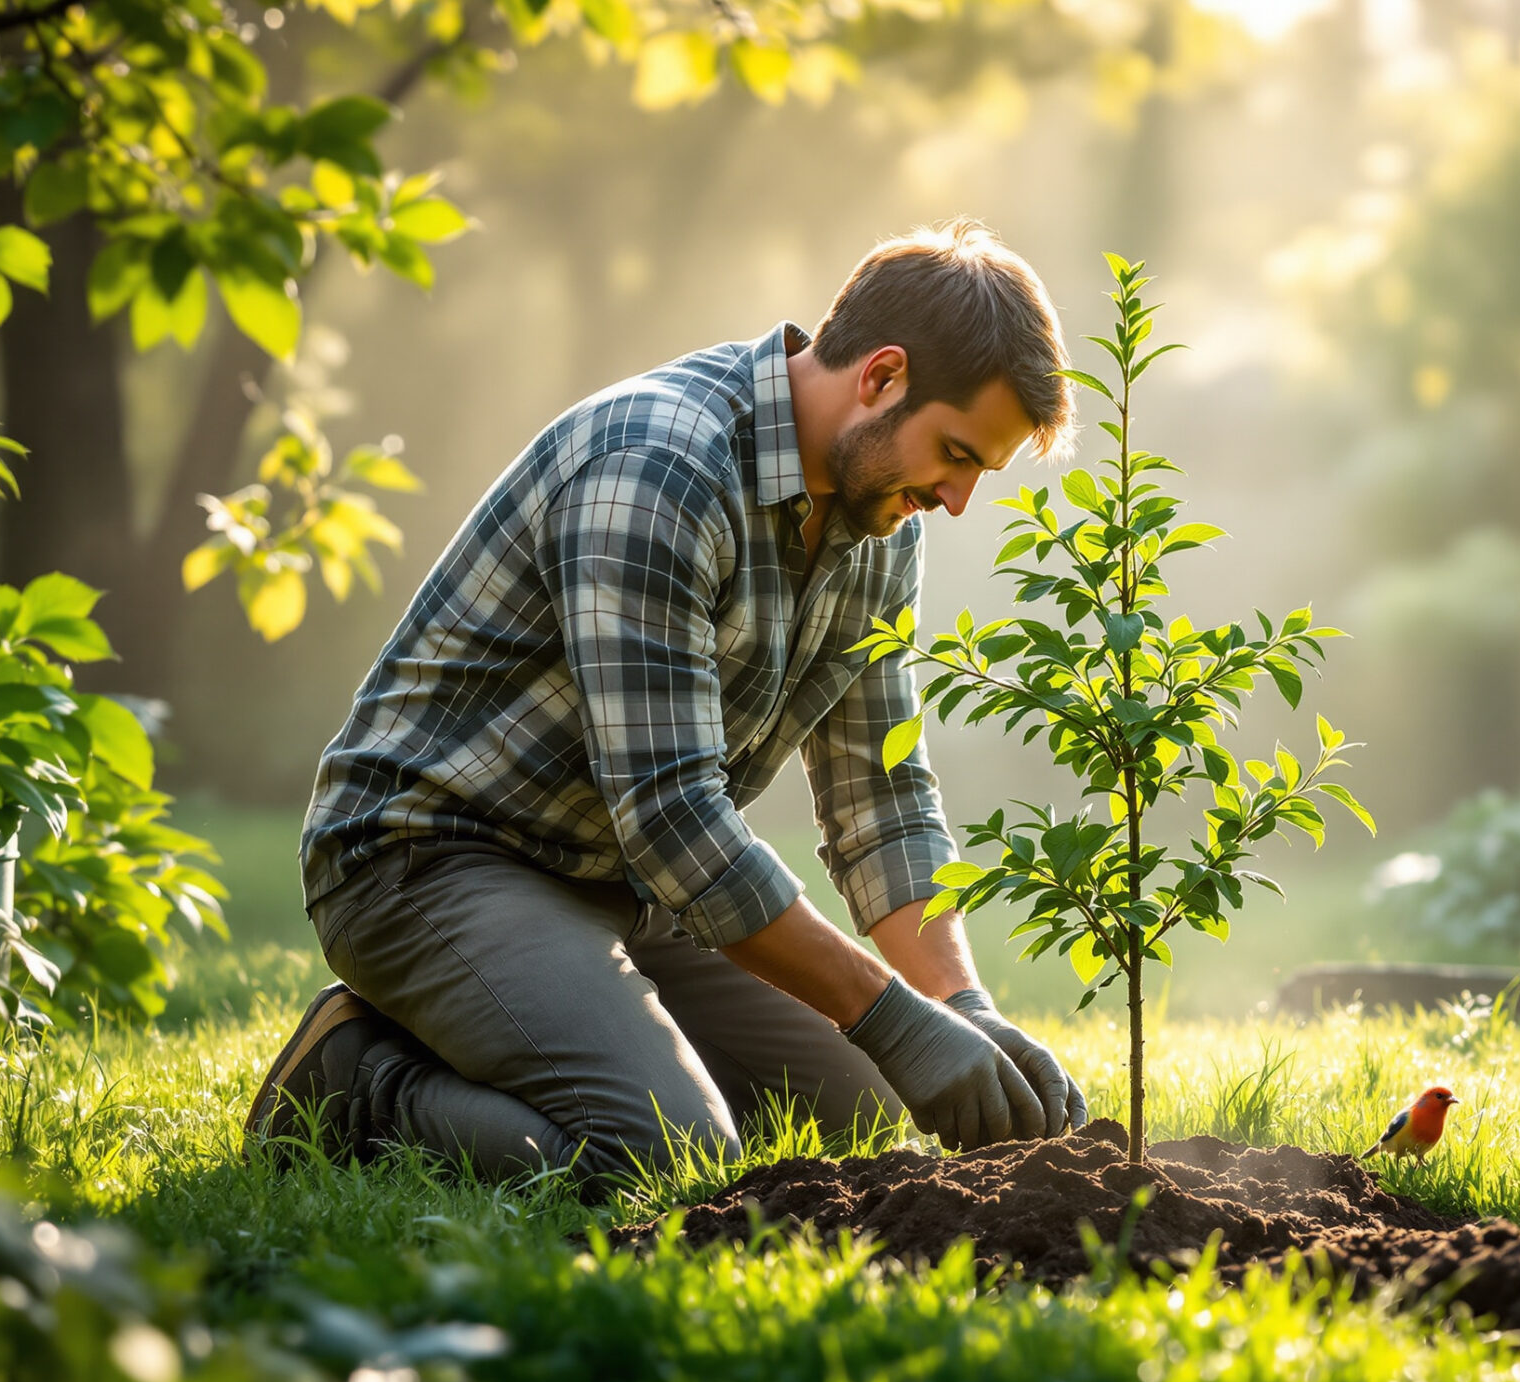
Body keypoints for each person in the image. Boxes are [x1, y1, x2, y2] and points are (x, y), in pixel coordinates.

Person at [245, 221, 1088, 1193]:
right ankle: (357, 1083)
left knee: (857, 1116)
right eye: (955, 454)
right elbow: (673, 815)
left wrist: (959, 1003)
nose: (956, 499)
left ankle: (560, 1036)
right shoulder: (661, 467)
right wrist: (892, 1016)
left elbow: (882, 795)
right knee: (661, 1156)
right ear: (882, 376)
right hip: (430, 857)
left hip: (632, 888)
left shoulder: (878, 522)